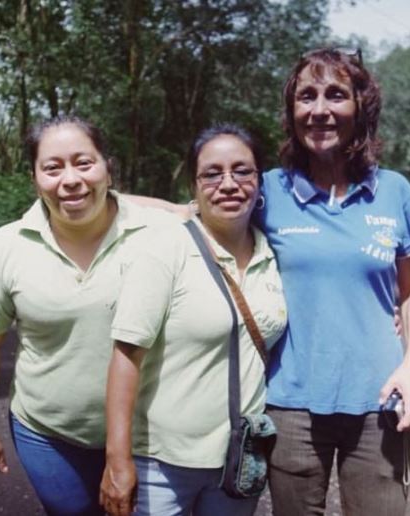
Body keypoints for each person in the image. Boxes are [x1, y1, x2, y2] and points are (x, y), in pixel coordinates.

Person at [0, 115, 176, 515]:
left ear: (108, 168)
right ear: (34, 179)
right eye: (52, 168)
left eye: (84, 163)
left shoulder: (161, 233)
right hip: (49, 435)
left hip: (151, 434)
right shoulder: (7, 245)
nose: (70, 179)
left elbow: (212, 211)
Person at [257, 48, 410, 516]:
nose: (320, 110)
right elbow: (193, 215)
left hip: (381, 398)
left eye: (336, 95)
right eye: (306, 97)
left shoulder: (394, 191)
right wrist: (103, 200)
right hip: (290, 401)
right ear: (291, 111)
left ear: (361, 107)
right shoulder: (267, 191)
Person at [99, 125, 287, 516]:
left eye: (242, 171)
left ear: (260, 181)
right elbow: (125, 357)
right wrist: (117, 461)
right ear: (194, 186)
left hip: (238, 459)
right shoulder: (166, 248)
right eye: (212, 174)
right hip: (162, 464)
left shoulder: (272, 254)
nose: (229, 184)